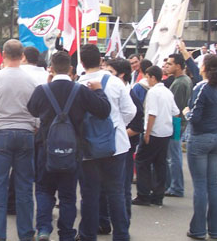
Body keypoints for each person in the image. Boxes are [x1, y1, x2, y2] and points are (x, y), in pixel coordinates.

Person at [27, 51, 111, 241]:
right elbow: (104, 111)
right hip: (72, 151)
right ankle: (66, 234)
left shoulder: (42, 90)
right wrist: (98, 90)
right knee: (67, 195)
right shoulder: (80, 90)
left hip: (46, 148)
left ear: (51, 68)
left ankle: (43, 228)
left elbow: (31, 109)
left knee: (43, 190)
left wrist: (47, 85)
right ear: (71, 69)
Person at [0, 39, 37, 241]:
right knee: (25, 187)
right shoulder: (31, 80)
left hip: (1, 133)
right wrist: (34, 125)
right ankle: (26, 233)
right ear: (22, 56)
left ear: (3, 55)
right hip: (25, 133)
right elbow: (38, 110)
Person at [77, 44, 136, 241]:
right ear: (101, 60)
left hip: (88, 148)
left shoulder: (77, 84)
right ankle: (121, 234)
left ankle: (87, 235)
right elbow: (130, 111)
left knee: (90, 195)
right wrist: (117, 125)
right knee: (116, 192)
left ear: (82, 62)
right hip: (116, 146)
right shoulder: (115, 82)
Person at [183, 54, 217, 240]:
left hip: (200, 138)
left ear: (205, 68)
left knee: (200, 186)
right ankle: (215, 229)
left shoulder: (202, 88)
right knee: (212, 186)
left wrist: (187, 113)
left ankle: (198, 229)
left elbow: (196, 117)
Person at [132, 66, 180, 207]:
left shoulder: (153, 92)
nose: (147, 80)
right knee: (160, 164)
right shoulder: (167, 91)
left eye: (147, 77)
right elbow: (176, 112)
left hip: (153, 132)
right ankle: (158, 195)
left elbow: (152, 113)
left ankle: (143, 194)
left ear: (153, 77)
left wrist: (147, 133)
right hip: (166, 132)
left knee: (142, 162)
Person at [106, 59, 144, 224]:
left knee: (122, 188)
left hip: (124, 148)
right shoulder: (113, 91)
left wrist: (117, 132)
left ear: (121, 75)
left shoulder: (130, 95)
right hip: (111, 145)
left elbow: (136, 126)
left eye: (111, 72)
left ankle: (124, 221)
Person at [164, 54, 192, 198]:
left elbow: (175, 107)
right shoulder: (182, 80)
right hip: (179, 122)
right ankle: (174, 185)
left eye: (170, 63)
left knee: (173, 157)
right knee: (174, 156)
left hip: (176, 122)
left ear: (178, 66)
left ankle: (176, 187)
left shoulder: (180, 83)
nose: (167, 66)